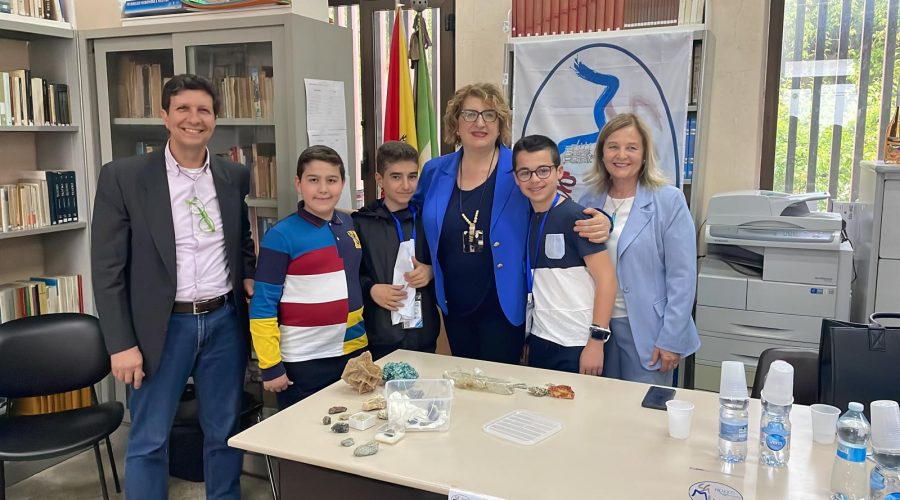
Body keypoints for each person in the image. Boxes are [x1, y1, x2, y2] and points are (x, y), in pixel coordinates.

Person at [91, 74, 255, 500]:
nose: (193, 119)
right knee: (149, 439)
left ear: (215, 119)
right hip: (160, 329)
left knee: (225, 433)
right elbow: (107, 269)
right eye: (182, 109)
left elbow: (241, 240)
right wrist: (121, 344)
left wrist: (250, 274)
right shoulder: (124, 177)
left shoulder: (233, 175)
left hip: (223, 322)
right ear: (164, 116)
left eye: (203, 110)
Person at [413, 82, 611, 365]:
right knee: (464, 380)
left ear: (500, 124)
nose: (480, 122)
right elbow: (414, 215)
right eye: (469, 114)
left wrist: (604, 219)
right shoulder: (435, 171)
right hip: (453, 304)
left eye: (489, 114)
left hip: (504, 304)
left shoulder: (518, 169)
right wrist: (426, 263)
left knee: (500, 384)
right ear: (456, 123)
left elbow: (557, 205)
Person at [578, 113, 701, 385]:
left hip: (650, 331)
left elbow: (682, 277)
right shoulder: (588, 201)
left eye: (631, 147)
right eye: (613, 146)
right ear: (602, 154)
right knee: (597, 405)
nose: (621, 155)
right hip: (597, 327)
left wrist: (671, 338)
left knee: (644, 408)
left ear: (645, 155)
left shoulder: (668, 201)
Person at [249, 145, 367, 409]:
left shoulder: (349, 225)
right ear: (298, 183)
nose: (323, 189)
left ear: (343, 184)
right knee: (303, 431)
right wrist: (270, 365)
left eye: (332, 180)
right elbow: (263, 305)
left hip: (352, 353)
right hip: (302, 362)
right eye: (313, 180)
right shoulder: (280, 235)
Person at [512, 135, 617, 375]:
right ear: (516, 178)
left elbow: (607, 280)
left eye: (543, 170)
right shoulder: (525, 219)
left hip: (578, 343)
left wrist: (596, 341)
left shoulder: (577, 218)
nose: (535, 179)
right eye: (525, 173)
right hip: (541, 339)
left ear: (559, 172)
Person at [352, 141, 439, 360]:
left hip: (424, 333)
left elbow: (448, 261)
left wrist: (431, 271)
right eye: (396, 177)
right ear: (379, 179)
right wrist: (371, 290)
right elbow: (350, 274)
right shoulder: (362, 223)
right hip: (380, 335)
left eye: (412, 176)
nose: (406, 185)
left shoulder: (429, 218)